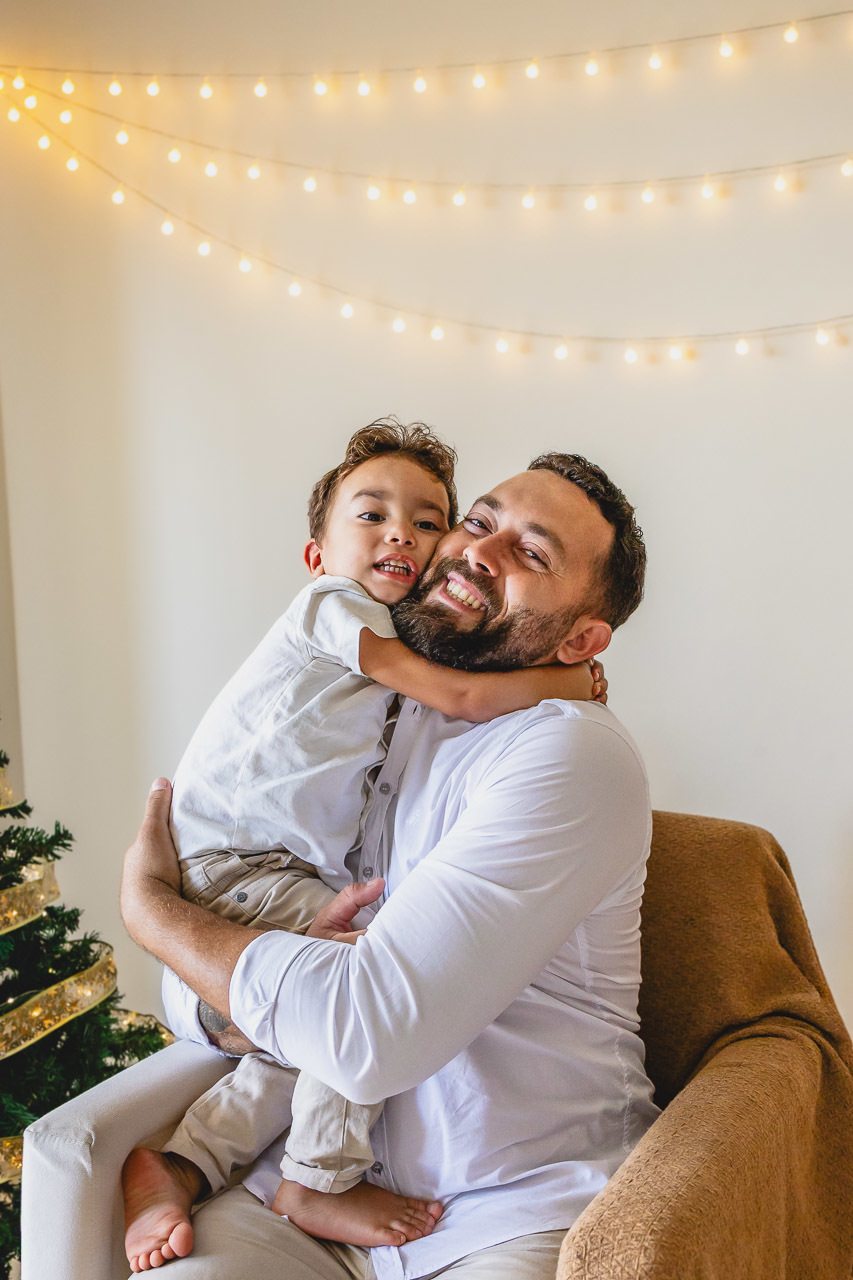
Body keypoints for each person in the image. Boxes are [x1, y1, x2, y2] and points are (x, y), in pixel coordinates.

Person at [120, 447, 659, 1280]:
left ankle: (269, 1171)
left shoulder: (568, 754)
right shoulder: (379, 703)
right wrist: (234, 992)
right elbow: (218, 985)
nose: (479, 550)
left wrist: (154, 915)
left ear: (582, 639)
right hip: (297, 1193)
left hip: (506, 1207)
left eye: (530, 552)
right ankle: (199, 1165)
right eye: (478, 521)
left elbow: (364, 1033)